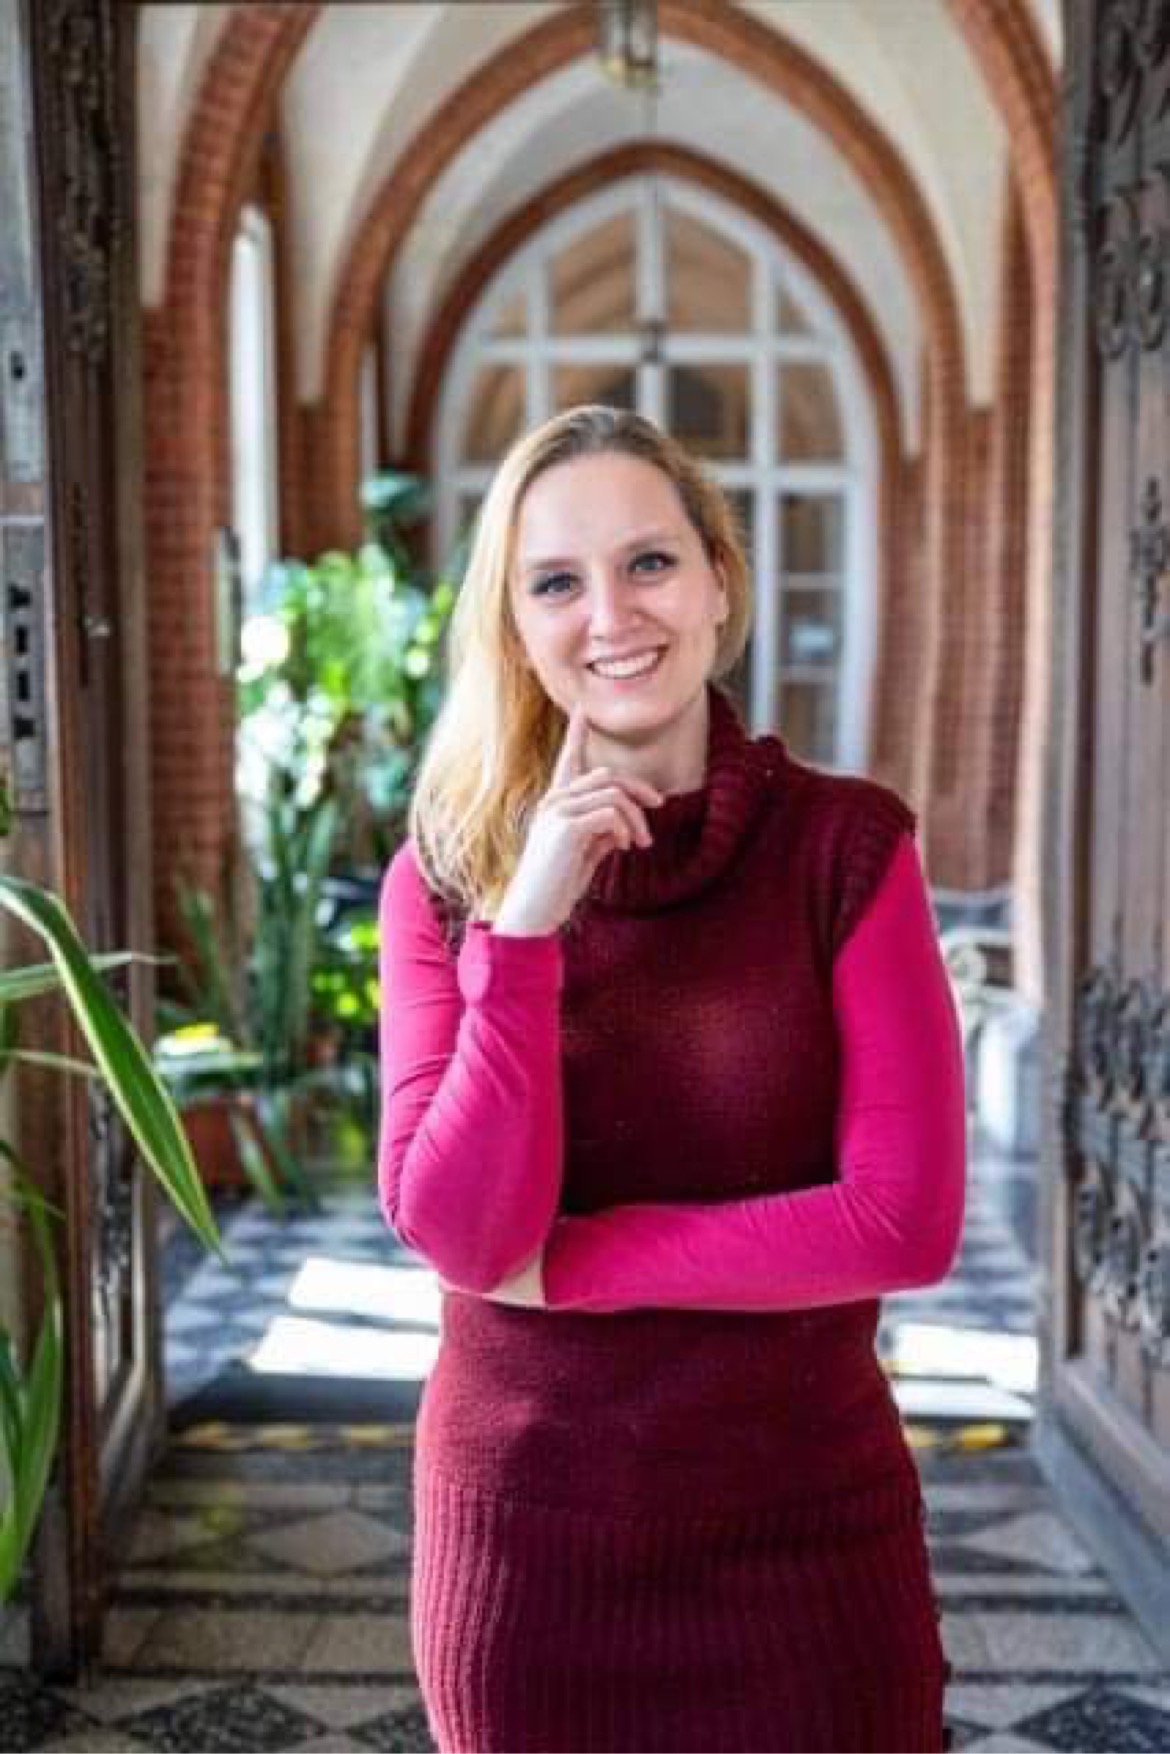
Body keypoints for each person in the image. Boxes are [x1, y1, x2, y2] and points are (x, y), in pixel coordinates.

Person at [377, 403, 966, 1753]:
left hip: (806, 1534)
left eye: (648, 561)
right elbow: (464, 1234)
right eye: (555, 582)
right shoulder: (448, 881)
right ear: (513, 622)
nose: (610, 616)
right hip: (527, 1554)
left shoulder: (844, 849)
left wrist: (577, 1265)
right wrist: (526, 927)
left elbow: (901, 1222)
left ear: (717, 581)